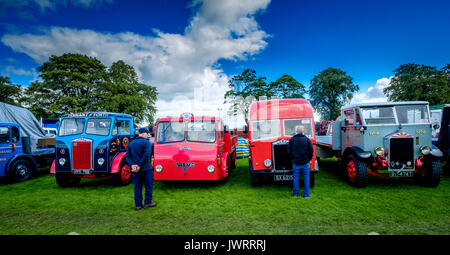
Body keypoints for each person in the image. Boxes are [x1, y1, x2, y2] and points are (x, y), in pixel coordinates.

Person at [125, 127, 157, 210]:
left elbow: (127, 156)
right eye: (147, 134)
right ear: (143, 134)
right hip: (146, 169)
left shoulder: (131, 143)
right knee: (148, 186)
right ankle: (147, 203)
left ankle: (138, 205)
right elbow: (146, 155)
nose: (148, 136)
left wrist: (132, 165)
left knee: (137, 187)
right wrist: (139, 165)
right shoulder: (146, 143)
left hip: (135, 169)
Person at [287, 125, 314, 198]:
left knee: (295, 178)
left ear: (296, 131)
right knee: (306, 178)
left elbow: (289, 151)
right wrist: (308, 159)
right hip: (305, 162)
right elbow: (311, 151)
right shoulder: (307, 139)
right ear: (303, 131)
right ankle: (306, 195)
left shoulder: (292, 140)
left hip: (296, 162)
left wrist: (293, 158)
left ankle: (295, 194)